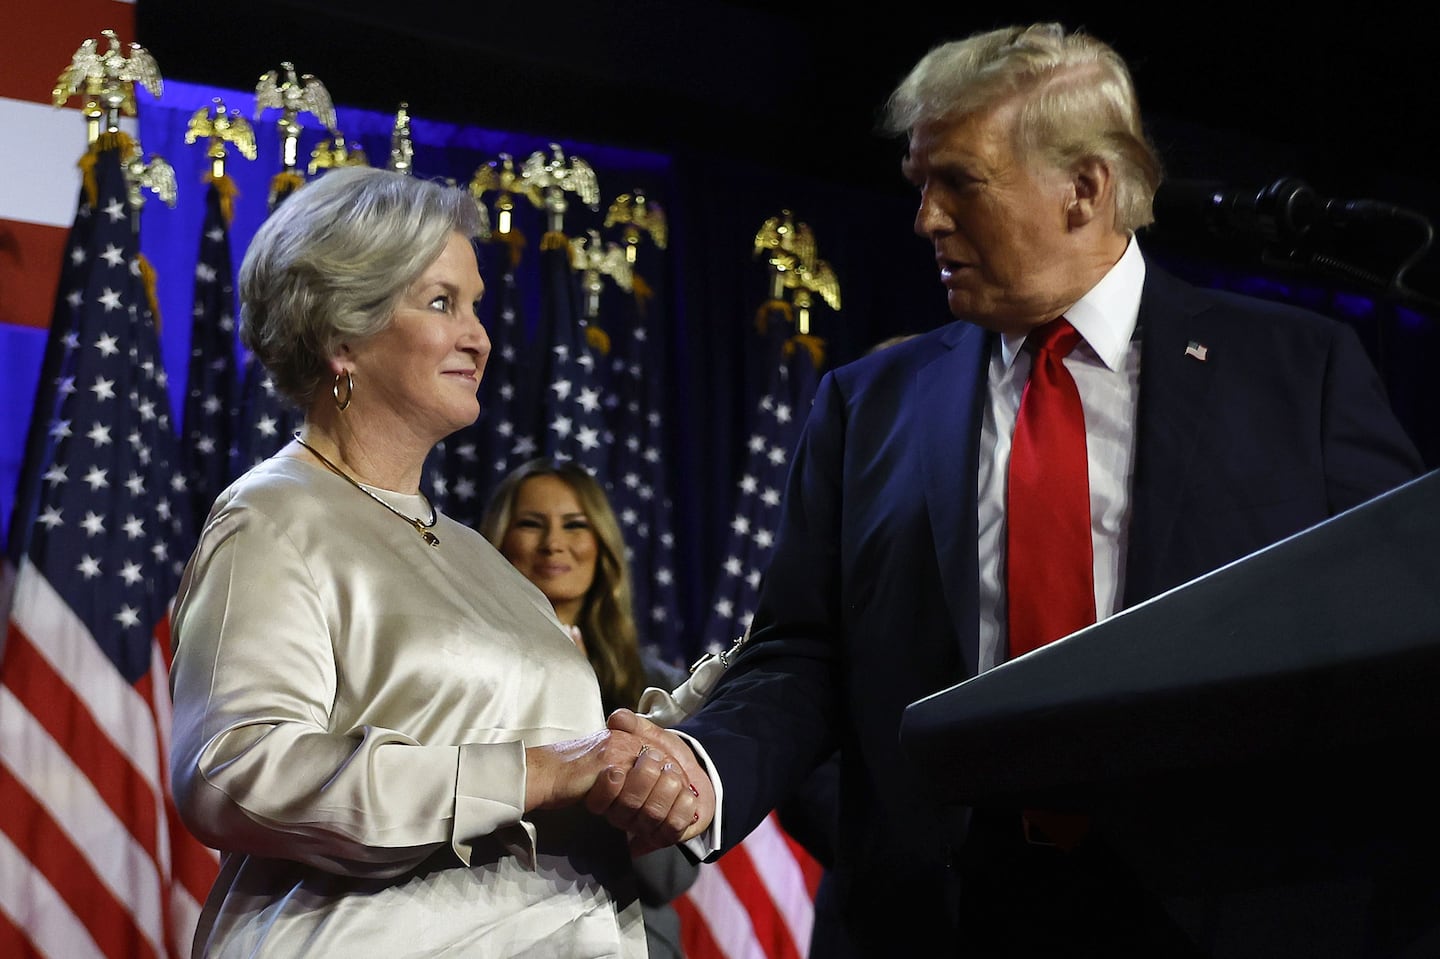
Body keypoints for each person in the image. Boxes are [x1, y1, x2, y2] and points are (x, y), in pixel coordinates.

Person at [606, 21, 1428, 958]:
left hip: (1222, 908)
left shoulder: (1298, 373)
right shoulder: (867, 403)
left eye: (960, 181)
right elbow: (804, 651)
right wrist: (705, 764)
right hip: (937, 920)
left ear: (1086, 187)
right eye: (921, 185)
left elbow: (1388, 645)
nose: (926, 219)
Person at [167, 166, 702, 958]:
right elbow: (233, 771)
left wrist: (653, 756)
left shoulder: (475, 553)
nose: (478, 336)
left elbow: (557, 764)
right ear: (342, 335)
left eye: (476, 305)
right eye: (441, 302)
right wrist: (537, 774)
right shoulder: (273, 516)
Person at [481, 457, 699, 959]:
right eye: (531, 523)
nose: (553, 543)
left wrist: (584, 708)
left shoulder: (660, 689)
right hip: (494, 932)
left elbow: (670, 873)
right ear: (497, 541)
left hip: (632, 936)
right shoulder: (461, 676)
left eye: (574, 525)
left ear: (602, 545)